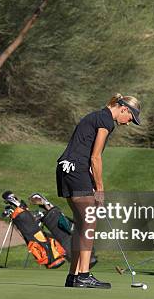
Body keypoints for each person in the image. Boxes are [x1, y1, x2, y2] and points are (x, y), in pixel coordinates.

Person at [56, 93, 141, 288]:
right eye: (130, 118)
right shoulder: (106, 120)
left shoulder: (96, 116)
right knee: (89, 223)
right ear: (124, 109)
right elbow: (95, 157)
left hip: (65, 168)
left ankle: (74, 276)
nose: (128, 123)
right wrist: (100, 188)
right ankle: (84, 275)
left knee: (81, 224)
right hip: (76, 169)